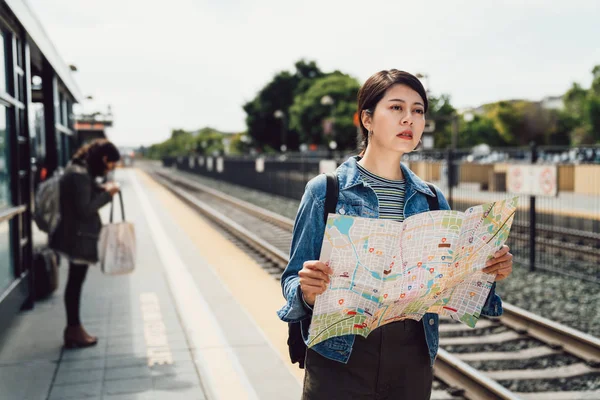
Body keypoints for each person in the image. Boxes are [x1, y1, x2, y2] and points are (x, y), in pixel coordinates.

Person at [277, 70, 514, 399]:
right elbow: (292, 278)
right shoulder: (326, 192)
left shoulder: (431, 198)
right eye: (397, 108)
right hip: (339, 357)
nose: (410, 119)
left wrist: (488, 272)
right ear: (367, 119)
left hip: (411, 358)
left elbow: (453, 285)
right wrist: (307, 292)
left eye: (418, 111)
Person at [50, 139, 121, 348]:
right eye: (112, 164)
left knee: (75, 283)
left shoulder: (78, 170)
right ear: (105, 158)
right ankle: (73, 329)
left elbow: (81, 197)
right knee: (75, 283)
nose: (111, 169)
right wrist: (108, 195)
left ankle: (74, 328)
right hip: (78, 239)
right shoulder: (79, 175)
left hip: (76, 236)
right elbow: (84, 209)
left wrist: (98, 188)